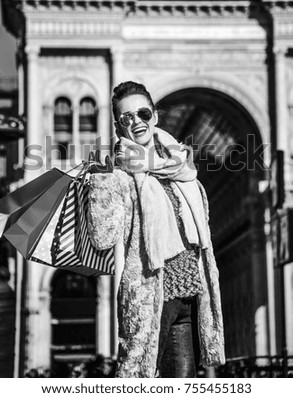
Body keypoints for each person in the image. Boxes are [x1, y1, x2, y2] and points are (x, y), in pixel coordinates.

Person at [87, 81, 225, 378]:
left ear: (155, 116)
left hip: (189, 297)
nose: (137, 121)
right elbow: (102, 238)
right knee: (138, 384)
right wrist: (101, 183)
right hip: (150, 301)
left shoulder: (184, 172)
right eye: (127, 118)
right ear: (118, 126)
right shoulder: (120, 176)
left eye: (143, 113)